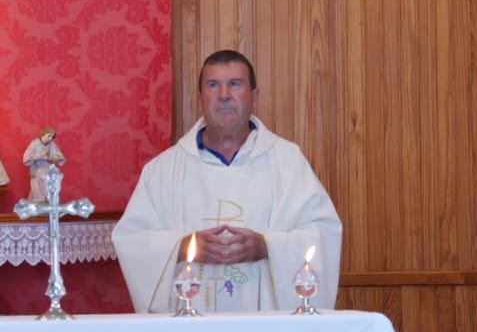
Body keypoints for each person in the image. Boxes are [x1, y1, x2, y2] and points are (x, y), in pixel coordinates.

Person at [112, 49, 343, 313]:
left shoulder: (288, 162)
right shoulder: (163, 170)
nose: (224, 94)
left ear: (254, 96)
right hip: (190, 325)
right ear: (200, 98)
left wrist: (267, 247)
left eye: (235, 84)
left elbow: (323, 234)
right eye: (213, 85)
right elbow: (132, 239)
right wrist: (183, 246)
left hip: (264, 324)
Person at [22, 127, 67, 201]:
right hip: (36, 169)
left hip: (46, 169)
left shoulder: (51, 144)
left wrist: (50, 156)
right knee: (37, 191)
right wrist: (40, 155)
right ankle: (38, 203)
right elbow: (26, 159)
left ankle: (45, 203)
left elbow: (60, 157)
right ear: (43, 134)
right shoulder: (34, 143)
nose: (50, 138)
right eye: (49, 136)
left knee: (47, 190)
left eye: (52, 137)